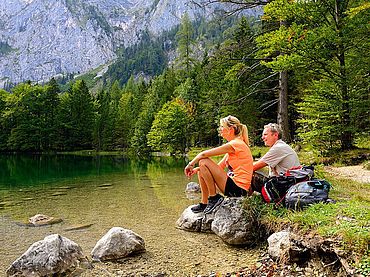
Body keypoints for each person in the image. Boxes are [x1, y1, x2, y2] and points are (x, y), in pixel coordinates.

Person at [184, 115, 253, 214]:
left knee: (203, 161)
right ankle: (205, 203)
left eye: (222, 126)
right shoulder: (234, 145)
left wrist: (190, 164)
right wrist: (197, 169)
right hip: (233, 187)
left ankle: (214, 197)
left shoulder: (236, 144)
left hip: (238, 189)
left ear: (231, 129)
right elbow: (219, 167)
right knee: (201, 169)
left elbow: (203, 154)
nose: (220, 129)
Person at [252, 123, 300, 192]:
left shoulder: (278, 148)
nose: (262, 138)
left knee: (251, 174)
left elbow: (254, 167)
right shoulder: (281, 146)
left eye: (265, 135)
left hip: (285, 185)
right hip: (289, 183)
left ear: (275, 135)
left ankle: (243, 197)